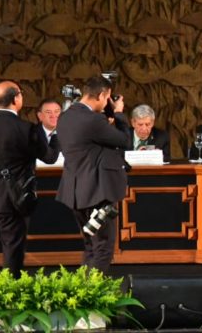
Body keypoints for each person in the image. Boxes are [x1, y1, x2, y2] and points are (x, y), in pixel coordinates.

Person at [0, 81, 59, 277]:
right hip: (13, 200)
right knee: (12, 249)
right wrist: (57, 134)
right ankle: (10, 291)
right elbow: (50, 157)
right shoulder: (25, 128)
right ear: (16, 98)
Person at [56, 76, 129, 272]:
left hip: (75, 192)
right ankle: (95, 290)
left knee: (90, 246)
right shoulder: (93, 120)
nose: (107, 103)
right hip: (97, 192)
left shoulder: (65, 117)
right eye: (107, 98)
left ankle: (84, 287)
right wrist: (118, 113)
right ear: (102, 95)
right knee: (103, 247)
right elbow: (124, 140)